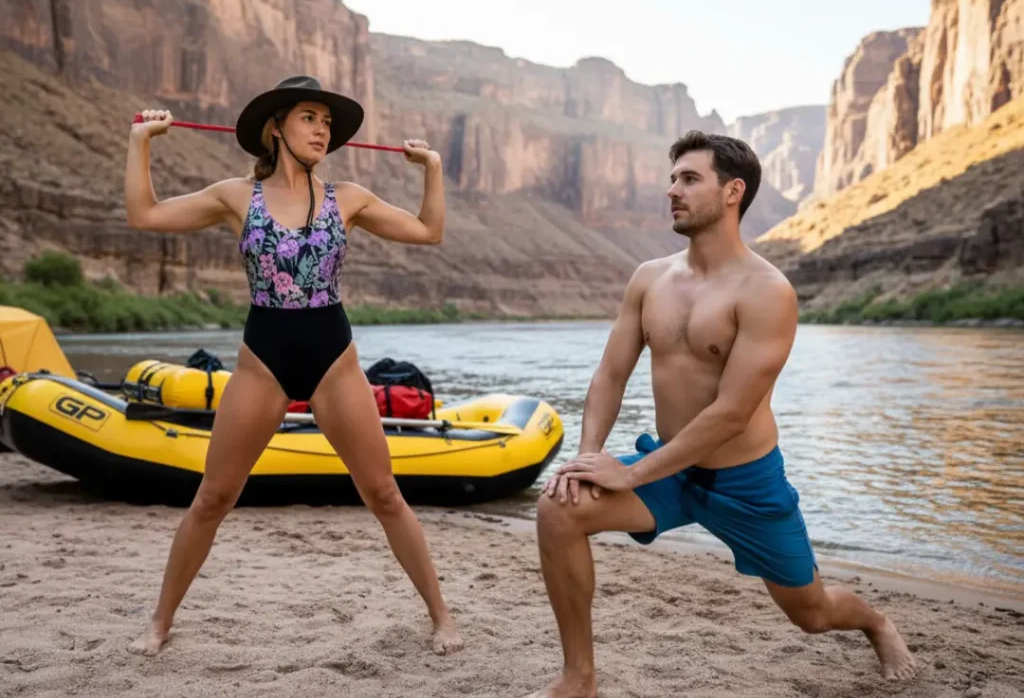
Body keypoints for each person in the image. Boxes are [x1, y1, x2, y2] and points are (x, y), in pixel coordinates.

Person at [523, 131, 917, 697]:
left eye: (689, 179)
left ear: (733, 191)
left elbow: (733, 413)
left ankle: (877, 623)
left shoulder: (767, 290)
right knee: (558, 508)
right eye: (672, 179)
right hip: (669, 469)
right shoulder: (649, 278)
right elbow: (611, 374)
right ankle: (578, 678)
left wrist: (629, 473)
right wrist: (590, 454)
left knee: (811, 612)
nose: (672, 191)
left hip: (746, 481)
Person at [123, 75, 463, 657]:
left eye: (327, 122)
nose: (322, 129)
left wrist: (431, 168)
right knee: (212, 498)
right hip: (263, 360)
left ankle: (441, 617)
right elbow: (145, 216)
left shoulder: (348, 198)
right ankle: (159, 622)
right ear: (276, 126)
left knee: (382, 493)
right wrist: (141, 143)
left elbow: (429, 232)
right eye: (310, 117)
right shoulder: (236, 196)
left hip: (334, 358)